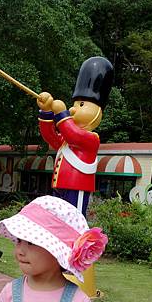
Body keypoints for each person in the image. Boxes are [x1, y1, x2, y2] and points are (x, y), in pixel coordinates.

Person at [37, 57, 113, 216]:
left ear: (98, 113)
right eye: (75, 104)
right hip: (59, 186)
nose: (73, 109)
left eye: (82, 105)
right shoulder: (66, 137)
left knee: (74, 220)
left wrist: (62, 114)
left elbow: (74, 135)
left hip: (77, 186)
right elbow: (50, 137)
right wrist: (46, 113)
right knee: (58, 220)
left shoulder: (91, 139)